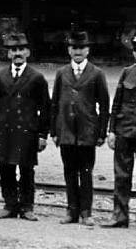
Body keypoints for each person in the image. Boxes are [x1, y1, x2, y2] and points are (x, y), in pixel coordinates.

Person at [0, 32, 50, 221]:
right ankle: (9, 204)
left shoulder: (37, 78)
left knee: (26, 169)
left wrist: (42, 135)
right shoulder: (0, 76)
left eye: (21, 49)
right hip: (4, 130)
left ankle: (27, 207)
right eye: (13, 50)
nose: (17, 53)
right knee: (5, 168)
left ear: (28, 52)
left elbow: (46, 108)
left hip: (27, 131)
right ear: (8, 54)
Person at [50, 29, 109, 226]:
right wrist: (54, 131)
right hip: (66, 131)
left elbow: (104, 105)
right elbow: (55, 103)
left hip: (87, 132)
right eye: (74, 47)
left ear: (87, 51)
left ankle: (86, 212)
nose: (78, 51)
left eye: (81, 48)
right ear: (69, 50)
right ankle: (71, 211)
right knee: (69, 172)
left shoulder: (97, 74)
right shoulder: (61, 73)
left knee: (85, 172)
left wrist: (101, 133)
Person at [102, 34, 136, 228]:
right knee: (122, 176)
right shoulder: (127, 72)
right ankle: (120, 216)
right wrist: (112, 130)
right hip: (125, 130)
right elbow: (117, 104)